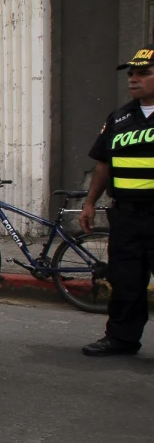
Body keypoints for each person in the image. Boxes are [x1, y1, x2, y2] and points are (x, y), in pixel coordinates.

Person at [79, 47, 154, 356]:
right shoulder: (120, 117)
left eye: (143, 73)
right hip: (126, 216)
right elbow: (103, 165)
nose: (134, 80)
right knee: (125, 281)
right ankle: (121, 339)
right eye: (131, 74)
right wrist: (89, 202)